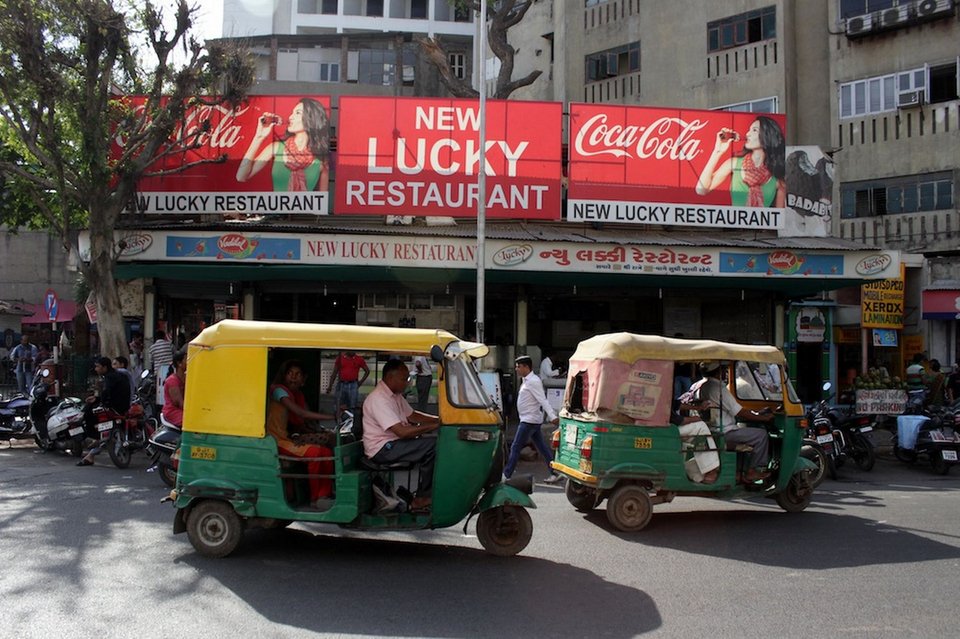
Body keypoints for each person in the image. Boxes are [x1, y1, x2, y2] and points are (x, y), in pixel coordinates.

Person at [362, 359, 440, 513]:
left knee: (434, 443)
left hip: (394, 444)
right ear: (391, 378)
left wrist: (439, 419)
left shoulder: (395, 395)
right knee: (433, 446)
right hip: (383, 449)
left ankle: (426, 493)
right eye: (405, 379)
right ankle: (422, 497)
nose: (408, 383)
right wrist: (435, 425)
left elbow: (413, 415)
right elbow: (402, 432)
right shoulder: (379, 399)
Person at [267, 360, 336, 509]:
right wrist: (332, 417)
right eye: (290, 374)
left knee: (327, 453)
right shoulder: (278, 391)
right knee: (316, 453)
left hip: (287, 438)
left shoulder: (296, 395)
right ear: (284, 376)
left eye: (298, 375)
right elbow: (301, 413)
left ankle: (324, 495)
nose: (293, 377)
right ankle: (314, 498)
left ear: (303, 379)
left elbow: (301, 421)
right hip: (275, 440)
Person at [695, 360, 773, 482]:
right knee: (761, 435)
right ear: (718, 372)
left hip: (712, 429)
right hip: (725, 432)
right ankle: (752, 471)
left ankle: (742, 470)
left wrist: (755, 414)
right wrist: (763, 417)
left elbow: (735, 409)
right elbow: (739, 412)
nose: (725, 372)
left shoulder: (703, 386)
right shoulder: (719, 388)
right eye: (724, 370)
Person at [236, 97, 331, 192]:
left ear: (312, 118)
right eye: (292, 113)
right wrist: (259, 137)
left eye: (297, 113)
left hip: (305, 206)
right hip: (275, 206)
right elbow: (241, 176)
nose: (290, 117)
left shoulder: (321, 162)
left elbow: (322, 200)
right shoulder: (277, 148)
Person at [695, 115, 786, 208]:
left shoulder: (777, 178)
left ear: (768, 136)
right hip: (735, 221)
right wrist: (717, 152)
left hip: (763, 222)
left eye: (754, 130)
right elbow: (701, 190)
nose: (747, 134)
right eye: (749, 130)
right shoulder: (734, 164)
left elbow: (780, 217)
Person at [503, 356, 564, 484]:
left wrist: (552, 416)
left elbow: (542, 400)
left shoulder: (533, 381)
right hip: (530, 419)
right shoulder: (526, 380)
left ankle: (506, 474)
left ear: (526, 367)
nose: (516, 369)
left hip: (529, 420)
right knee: (542, 447)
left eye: (518, 366)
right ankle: (555, 471)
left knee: (515, 447)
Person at [77, 357, 132, 466]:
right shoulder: (118, 375)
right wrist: (97, 399)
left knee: (88, 412)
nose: (96, 369)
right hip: (122, 406)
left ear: (105, 367)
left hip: (115, 407)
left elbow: (107, 393)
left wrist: (100, 403)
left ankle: (94, 436)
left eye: (98, 367)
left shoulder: (110, 377)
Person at [671, 399, 720, 484]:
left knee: (694, 441)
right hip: (669, 429)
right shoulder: (662, 394)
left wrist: (697, 408)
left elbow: (676, 405)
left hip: (668, 428)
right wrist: (694, 419)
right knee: (701, 426)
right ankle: (711, 469)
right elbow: (676, 419)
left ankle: (697, 474)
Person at [148, 330, 174, 408]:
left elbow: (151, 360)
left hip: (158, 372)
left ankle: (159, 405)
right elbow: (175, 354)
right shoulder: (170, 345)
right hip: (170, 371)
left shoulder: (152, 348)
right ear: (164, 337)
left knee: (159, 390)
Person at [161, 352, 187, 428]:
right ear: (179, 363)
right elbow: (179, 403)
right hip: (173, 411)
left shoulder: (187, 378)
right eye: (186, 360)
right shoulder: (172, 380)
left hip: (183, 410)